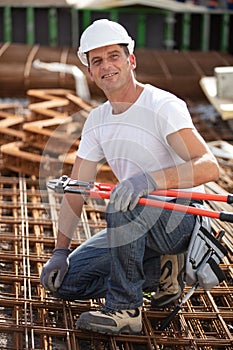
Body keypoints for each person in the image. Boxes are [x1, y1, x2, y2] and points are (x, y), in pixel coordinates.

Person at [40, 19, 219, 335]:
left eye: (114, 56)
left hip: (182, 220)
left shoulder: (161, 106)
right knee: (65, 283)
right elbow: (77, 188)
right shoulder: (97, 121)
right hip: (134, 222)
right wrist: (60, 251)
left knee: (123, 201)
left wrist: (148, 180)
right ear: (91, 72)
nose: (106, 65)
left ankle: (125, 309)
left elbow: (207, 166)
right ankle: (164, 271)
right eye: (97, 61)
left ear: (131, 60)